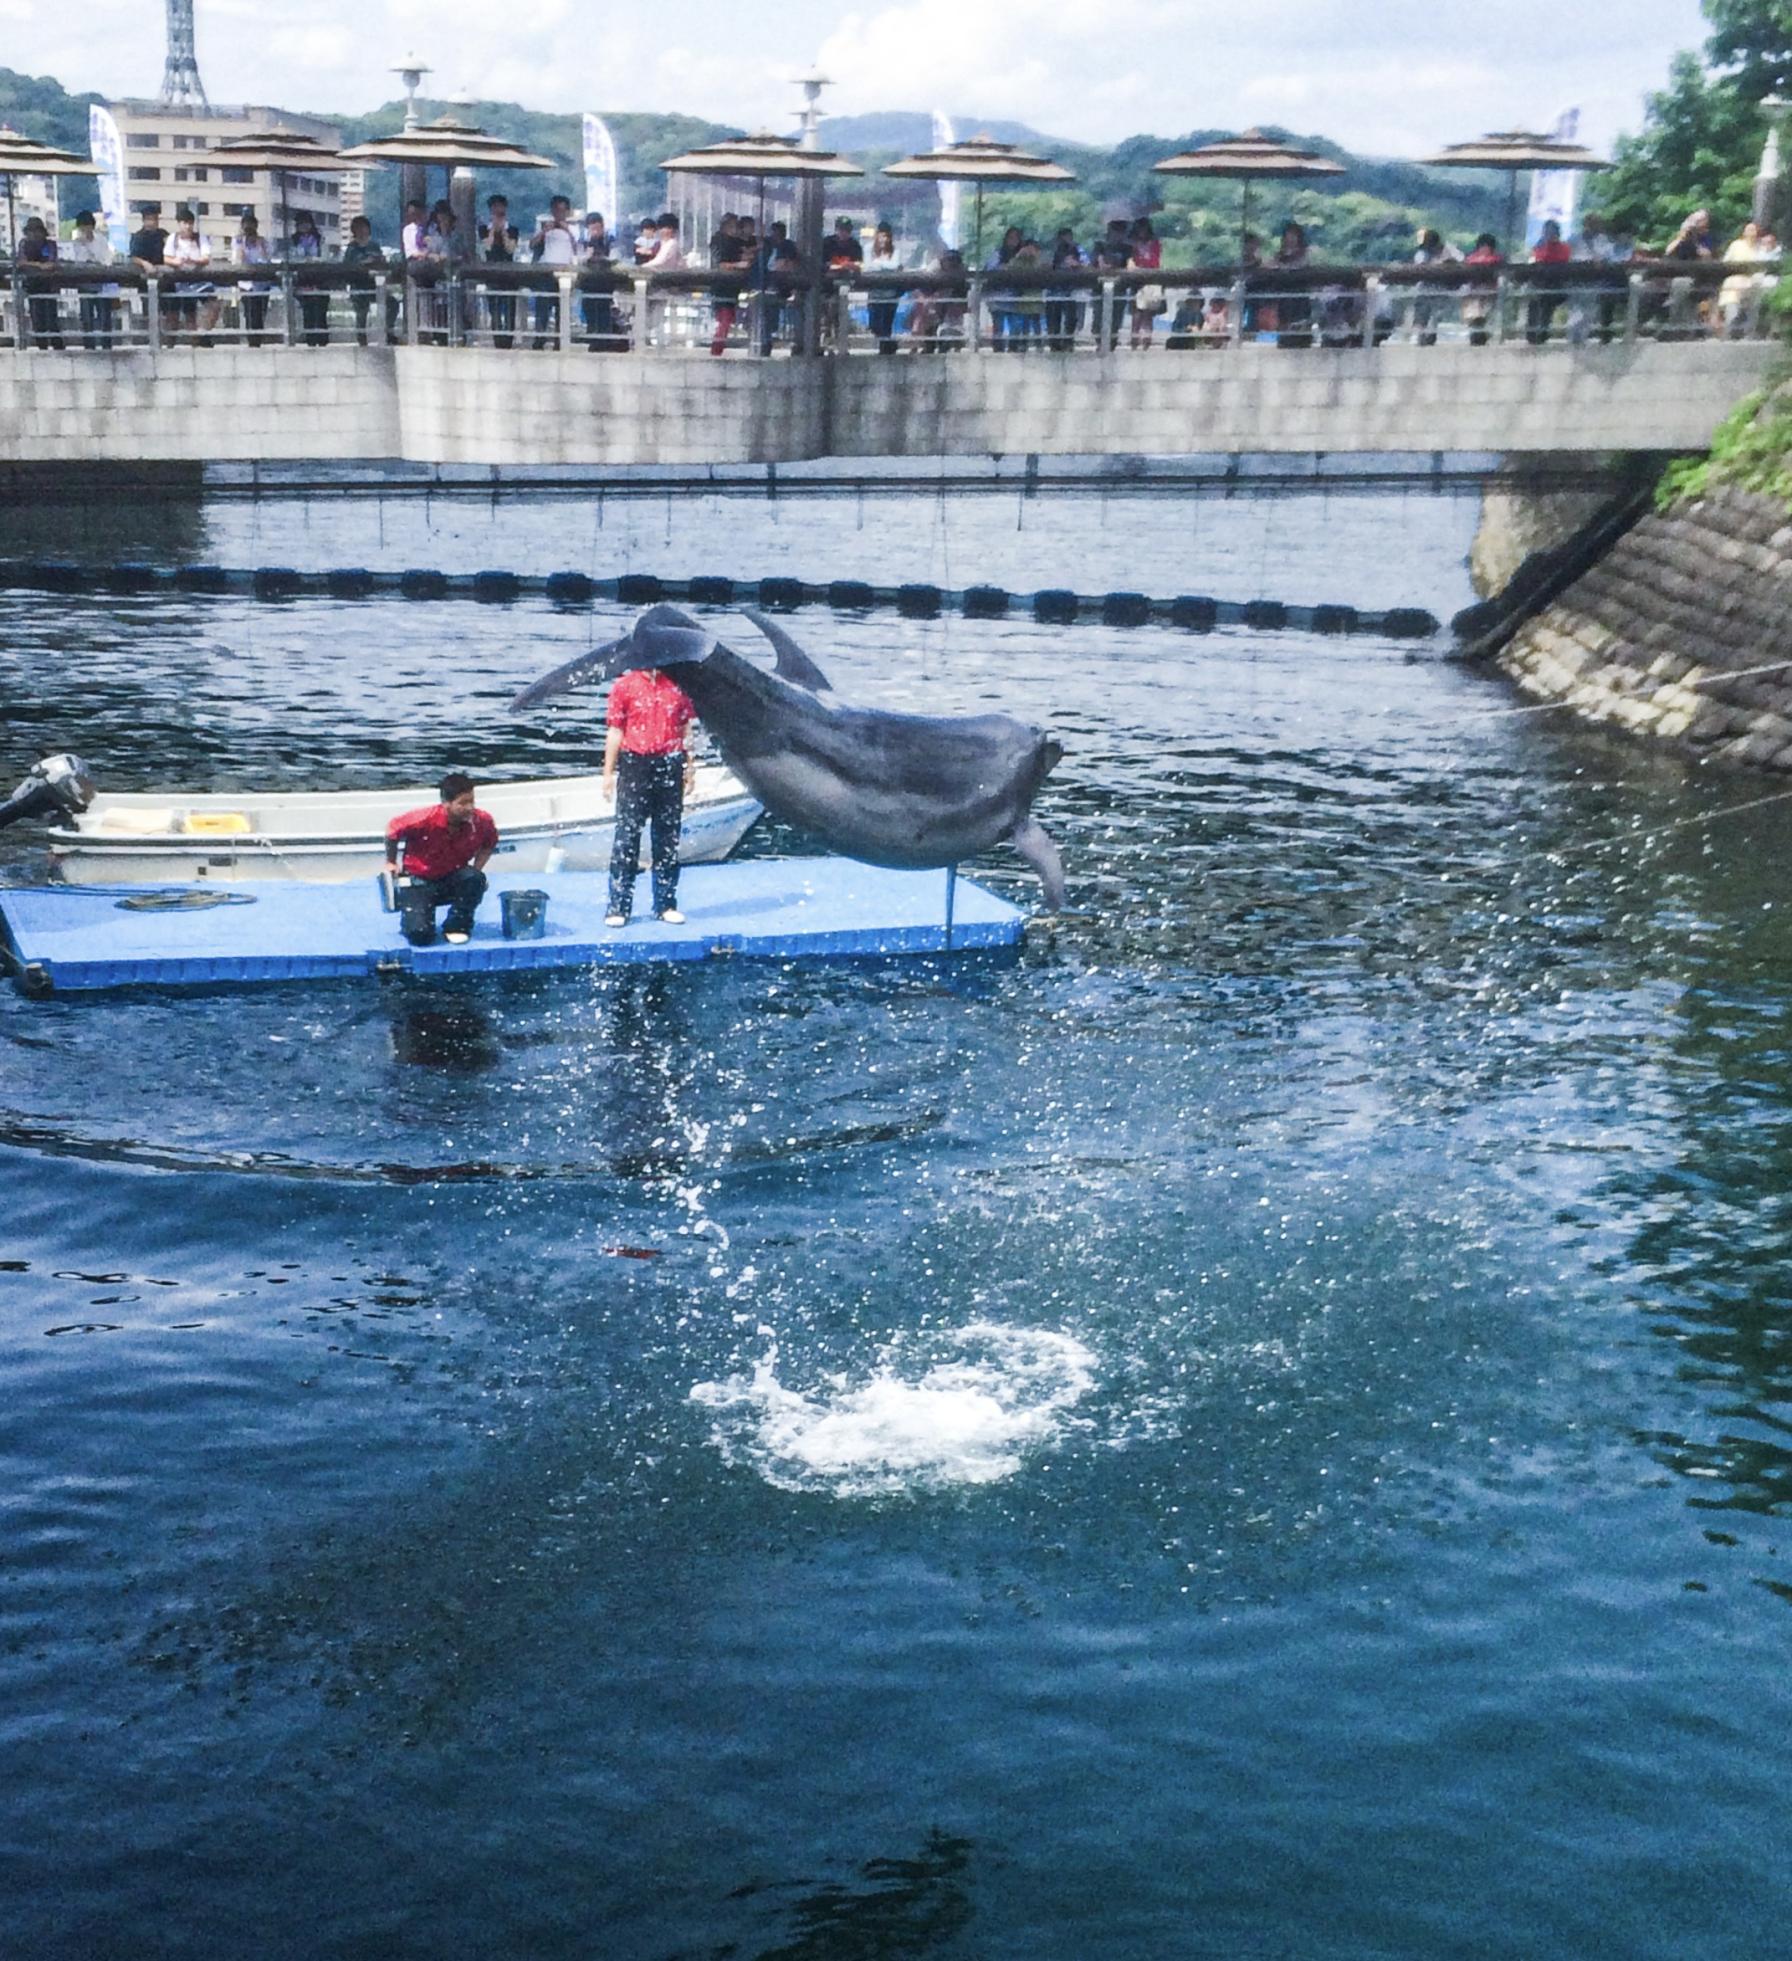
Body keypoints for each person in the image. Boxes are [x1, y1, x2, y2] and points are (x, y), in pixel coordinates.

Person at [602, 663, 698, 926]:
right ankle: (618, 907)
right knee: (627, 834)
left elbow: (685, 730)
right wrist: (608, 772)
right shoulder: (624, 685)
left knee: (668, 835)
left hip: (670, 762)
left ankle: (665, 903)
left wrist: (691, 767)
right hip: (635, 763)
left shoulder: (678, 685)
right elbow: (615, 730)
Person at [384, 772, 498, 946]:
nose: (469, 808)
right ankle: (413, 912)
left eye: (471, 801)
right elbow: (392, 829)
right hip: (419, 880)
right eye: (463, 803)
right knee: (420, 936)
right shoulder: (424, 819)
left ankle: (457, 925)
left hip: (451, 876)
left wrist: (477, 868)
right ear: (446, 803)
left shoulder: (482, 820)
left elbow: (489, 844)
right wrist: (391, 861)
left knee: (475, 879)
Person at [61, 211, 117, 349]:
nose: (85, 230)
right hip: (85, 283)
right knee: (87, 317)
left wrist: (92, 254)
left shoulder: (101, 240)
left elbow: (105, 259)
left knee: (104, 316)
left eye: (87, 226)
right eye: (82, 227)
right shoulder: (76, 243)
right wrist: (84, 245)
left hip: (102, 283)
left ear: (92, 226)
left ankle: (106, 345)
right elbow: (78, 261)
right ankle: (89, 345)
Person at [341, 215, 391, 345]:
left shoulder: (374, 245)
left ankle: (387, 331)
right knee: (361, 312)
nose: (362, 230)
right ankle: (362, 338)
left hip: (374, 285)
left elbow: (380, 260)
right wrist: (364, 262)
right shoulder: (351, 248)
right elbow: (348, 266)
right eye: (358, 228)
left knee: (392, 304)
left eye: (364, 227)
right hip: (358, 285)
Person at [166, 208, 215, 339]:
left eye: (190, 223)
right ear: (179, 223)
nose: (187, 226)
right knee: (189, 315)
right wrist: (176, 262)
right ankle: (195, 342)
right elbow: (166, 258)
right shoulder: (172, 238)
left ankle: (202, 333)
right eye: (184, 223)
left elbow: (206, 257)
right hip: (181, 283)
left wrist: (193, 260)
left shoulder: (200, 238)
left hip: (200, 280)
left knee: (213, 304)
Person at [15, 218, 63, 348]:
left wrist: (36, 266)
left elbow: (51, 264)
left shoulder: (50, 244)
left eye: (37, 230)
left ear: (42, 232)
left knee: (52, 319)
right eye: (31, 231)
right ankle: (42, 346)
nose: (35, 234)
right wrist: (39, 265)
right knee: (37, 320)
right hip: (32, 287)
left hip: (49, 286)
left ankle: (57, 346)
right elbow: (21, 262)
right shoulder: (24, 244)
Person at [708, 211, 750, 355]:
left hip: (730, 288)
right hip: (722, 287)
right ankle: (716, 349)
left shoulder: (732, 242)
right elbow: (720, 264)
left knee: (726, 319)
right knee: (725, 319)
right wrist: (739, 265)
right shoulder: (720, 241)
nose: (737, 229)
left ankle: (717, 348)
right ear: (727, 226)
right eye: (734, 226)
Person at [480, 193, 518, 348]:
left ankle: (509, 339)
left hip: (509, 275)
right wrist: (493, 230)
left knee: (509, 308)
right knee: (494, 309)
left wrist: (503, 232)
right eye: (495, 208)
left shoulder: (513, 229)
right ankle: (497, 340)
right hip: (492, 275)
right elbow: (487, 246)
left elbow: (510, 249)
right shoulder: (483, 229)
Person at [1527, 217, 1572, 344]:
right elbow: (1536, 259)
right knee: (1534, 304)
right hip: (1538, 282)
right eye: (1546, 231)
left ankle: (1542, 334)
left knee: (1547, 309)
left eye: (1551, 231)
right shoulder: (1539, 245)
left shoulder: (1563, 247)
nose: (1548, 234)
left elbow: (1562, 260)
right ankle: (1531, 334)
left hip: (1555, 284)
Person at [581, 211, 620, 349]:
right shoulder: (584, 241)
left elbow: (615, 257)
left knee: (604, 310)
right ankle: (593, 340)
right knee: (589, 309)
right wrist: (587, 256)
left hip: (605, 282)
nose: (596, 231)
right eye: (593, 229)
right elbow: (578, 259)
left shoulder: (610, 239)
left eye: (598, 228)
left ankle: (604, 341)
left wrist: (602, 259)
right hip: (588, 282)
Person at [233, 213, 273, 343]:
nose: (249, 230)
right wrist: (242, 247)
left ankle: (258, 339)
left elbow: (266, 261)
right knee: (249, 312)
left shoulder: (263, 242)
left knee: (261, 312)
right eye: (246, 227)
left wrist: (260, 247)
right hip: (246, 284)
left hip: (262, 283)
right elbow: (237, 261)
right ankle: (252, 340)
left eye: (251, 226)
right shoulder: (238, 241)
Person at [1128, 215, 1165, 348]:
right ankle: (1134, 340)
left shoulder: (1154, 244)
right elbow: (1131, 261)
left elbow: (1154, 261)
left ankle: (1146, 341)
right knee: (1137, 313)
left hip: (1151, 279)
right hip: (1137, 282)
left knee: (1148, 313)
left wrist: (1141, 265)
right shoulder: (1132, 245)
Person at [1046, 225, 1084, 351]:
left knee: (1071, 318)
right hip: (1054, 291)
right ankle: (1054, 344)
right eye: (1064, 238)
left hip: (1071, 291)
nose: (1066, 240)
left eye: (1069, 237)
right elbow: (1045, 266)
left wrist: (1076, 264)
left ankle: (1068, 342)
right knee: (1053, 318)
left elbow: (1086, 263)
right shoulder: (1052, 251)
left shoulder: (1077, 249)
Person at [1460, 232, 1502, 345]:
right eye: (1482, 246)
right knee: (1474, 317)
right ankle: (1475, 336)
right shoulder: (1470, 259)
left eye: (1487, 246)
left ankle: (1482, 336)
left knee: (1485, 317)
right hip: (1473, 293)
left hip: (1489, 293)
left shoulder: (1497, 260)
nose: (1484, 248)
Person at [866, 222, 901, 353]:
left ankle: (885, 348)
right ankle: (888, 344)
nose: (884, 239)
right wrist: (884, 264)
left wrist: (878, 264)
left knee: (887, 324)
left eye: (887, 236)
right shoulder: (868, 248)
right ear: (877, 236)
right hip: (875, 293)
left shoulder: (895, 250)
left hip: (890, 293)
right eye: (881, 236)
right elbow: (868, 267)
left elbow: (895, 265)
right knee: (874, 324)